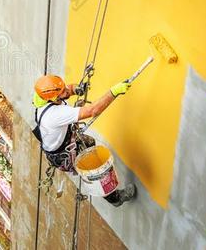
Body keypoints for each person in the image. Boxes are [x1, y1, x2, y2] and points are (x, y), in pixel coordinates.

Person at [32, 75, 137, 207]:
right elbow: (93, 110)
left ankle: (106, 187)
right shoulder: (55, 114)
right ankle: (115, 198)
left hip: (62, 143)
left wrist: (77, 89)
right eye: (62, 92)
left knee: (90, 143)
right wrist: (114, 92)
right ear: (55, 98)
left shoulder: (43, 97)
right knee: (92, 165)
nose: (66, 91)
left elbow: (67, 90)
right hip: (64, 153)